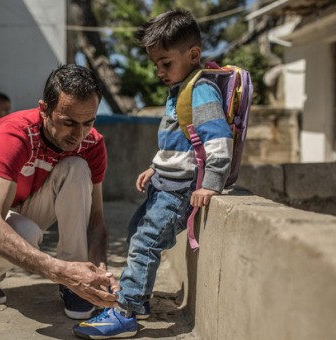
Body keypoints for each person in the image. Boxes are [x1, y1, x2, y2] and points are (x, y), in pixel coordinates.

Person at [72, 8, 234, 339]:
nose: (159, 71)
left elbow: (218, 140)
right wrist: (154, 167)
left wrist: (212, 184)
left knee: (145, 241)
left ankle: (127, 311)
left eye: (165, 63)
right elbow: (181, 144)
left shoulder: (200, 89)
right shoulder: (180, 88)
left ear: (192, 54)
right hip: (162, 185)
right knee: (136, 232)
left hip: (178, 193)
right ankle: (137, 298)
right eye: (155, 65)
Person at [0, 64, 118, 320]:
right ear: (44, 110)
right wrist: (57, 270)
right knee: (24, 231)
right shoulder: (14, 134)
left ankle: (77, 275)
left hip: (21, 207)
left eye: (88, 122)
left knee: (77, 167)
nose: (78, 135)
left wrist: (98, 271)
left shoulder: (91, 143)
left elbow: (96, 219)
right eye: (68, 122)